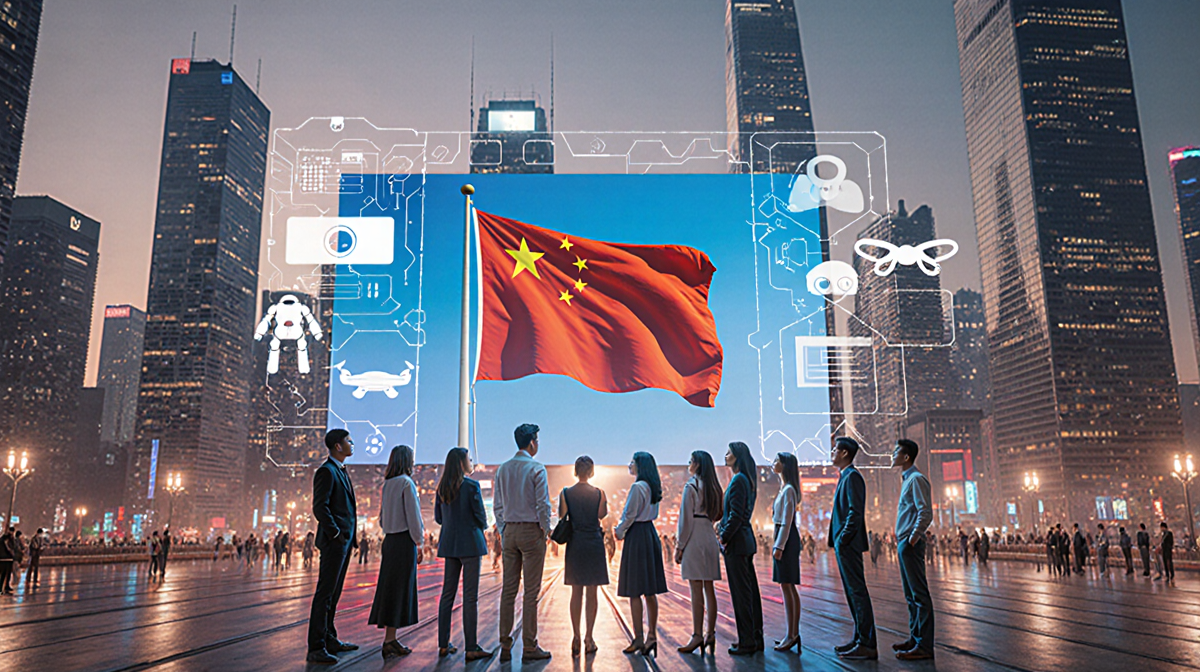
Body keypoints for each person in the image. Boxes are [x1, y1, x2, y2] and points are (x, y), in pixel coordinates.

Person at [493, 423, 553, 662]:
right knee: (531, 592)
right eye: (537, 440)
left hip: (510, 532)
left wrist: (503, 529)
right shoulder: (537, 468)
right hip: (531, 532)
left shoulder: (502, 469)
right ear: (531, 443)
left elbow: (498, 505)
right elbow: (543, 505)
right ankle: (529, 645)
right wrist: (545, 530)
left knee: (508, 591)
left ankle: (505, 645)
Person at [306, 429, 361, 665]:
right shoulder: (326, 472)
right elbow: (320, 507)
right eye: (348, 441)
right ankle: (316, 646)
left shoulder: (341, 471)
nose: (352, 444)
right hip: (334, 542)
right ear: (338, 446)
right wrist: (336, 533)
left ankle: (329, 638)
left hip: (344, 542)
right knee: (325, 594)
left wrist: (351, 538)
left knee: (335, 593)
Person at [434, 447, 493, 661]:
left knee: (447, 595)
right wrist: (483, 525)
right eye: (468, 458)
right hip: (470, 543)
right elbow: (480, 514)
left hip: (449, 544)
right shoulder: (471, 486)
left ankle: (443, 644)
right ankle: (471, 647)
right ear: (461, 463)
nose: (471, 461)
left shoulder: (442, 488)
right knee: (470, 596)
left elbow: (439, 518)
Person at [369, 445, 424, 660]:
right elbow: (414, 517)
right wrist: (419, 543)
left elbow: (382, 518)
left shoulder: (388, 484)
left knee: (390, 589)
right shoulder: (406, 483)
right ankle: (390, 641)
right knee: (401, 590)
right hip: (403, 542)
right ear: (407, 461)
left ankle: (390, 639)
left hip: (389, 541)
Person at [615, 452, 668, 657]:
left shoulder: (637, 487)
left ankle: (638, 638)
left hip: (636, 536)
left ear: (640, 465)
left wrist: (619, 531)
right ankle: (651, 636)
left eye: (632, 462)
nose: (629, 465)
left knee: (635, 590)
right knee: (650, 590)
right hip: (650, 534)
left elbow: (629, 514)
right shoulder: (653, 487)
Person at [829, 436, 877, 660]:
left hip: (848, 544)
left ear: (845, 453)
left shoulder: (853, 477)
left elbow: (854, 513)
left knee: (857, 592)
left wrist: (842, 539)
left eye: (835, 450)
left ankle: (867, 643)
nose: (832, 452)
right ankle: (859, 639)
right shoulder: (845, 476)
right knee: (852, 593)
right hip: (844, 545)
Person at [557, 455, 609, 657]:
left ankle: (575, 636)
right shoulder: (599, 493)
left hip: (575, 544)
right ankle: (589, 637)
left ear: (576, 471)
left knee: (576, 592)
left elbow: (563, 515)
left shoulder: (566, 493)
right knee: (592, 593)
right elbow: (602, 515)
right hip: (594, 543)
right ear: (592, 472)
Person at [674, 450, 723, 655]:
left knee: (696, 589)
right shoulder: (714, 488)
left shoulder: (691, 486)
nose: (688, 464)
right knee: (709, 588)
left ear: (697, 464)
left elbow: (685, 521)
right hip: (709, 536)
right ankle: (710, 633)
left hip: (694, 537)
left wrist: (679, 546)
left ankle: (697, 635)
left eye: (690, 461)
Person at [719, 441, 763, 656]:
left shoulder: (738, 481)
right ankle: (755, 637)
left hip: (736, 544)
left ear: (737, 456)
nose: (725, 455)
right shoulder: (745, 480)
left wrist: (724, 537)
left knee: (741, 595)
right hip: (744, 542)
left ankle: (747, 641)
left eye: (728, 453)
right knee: (749, 593)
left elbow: (736, 516)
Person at [891, 439, 934, 661]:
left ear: (906, 457)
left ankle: (924, 646)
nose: (892, 455)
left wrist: (913, 538)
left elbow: (925, 512)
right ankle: (915, 638)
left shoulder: (916, 480)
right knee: (910, 595)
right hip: (904, 542)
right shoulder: (907, 480)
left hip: (910, 543)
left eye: (896, 452)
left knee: (919, 594)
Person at [771, 452, 803, 654]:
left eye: (777, 460)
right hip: (783, 536)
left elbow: (787, 520)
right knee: (787, 586)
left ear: (785, 465)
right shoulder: (784, 489)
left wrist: (779, 546)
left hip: (786, 537)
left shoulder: (789, 490)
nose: (773, 463)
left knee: (788, 586)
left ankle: (792, 634)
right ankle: (791, 634)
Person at [0, 527, 14, 594]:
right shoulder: (3, 541)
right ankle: (1, 588)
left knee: (6, 574)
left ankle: (5, 587)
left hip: (8, 559)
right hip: (4, 560)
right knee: (3, 574)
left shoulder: (8, 540)